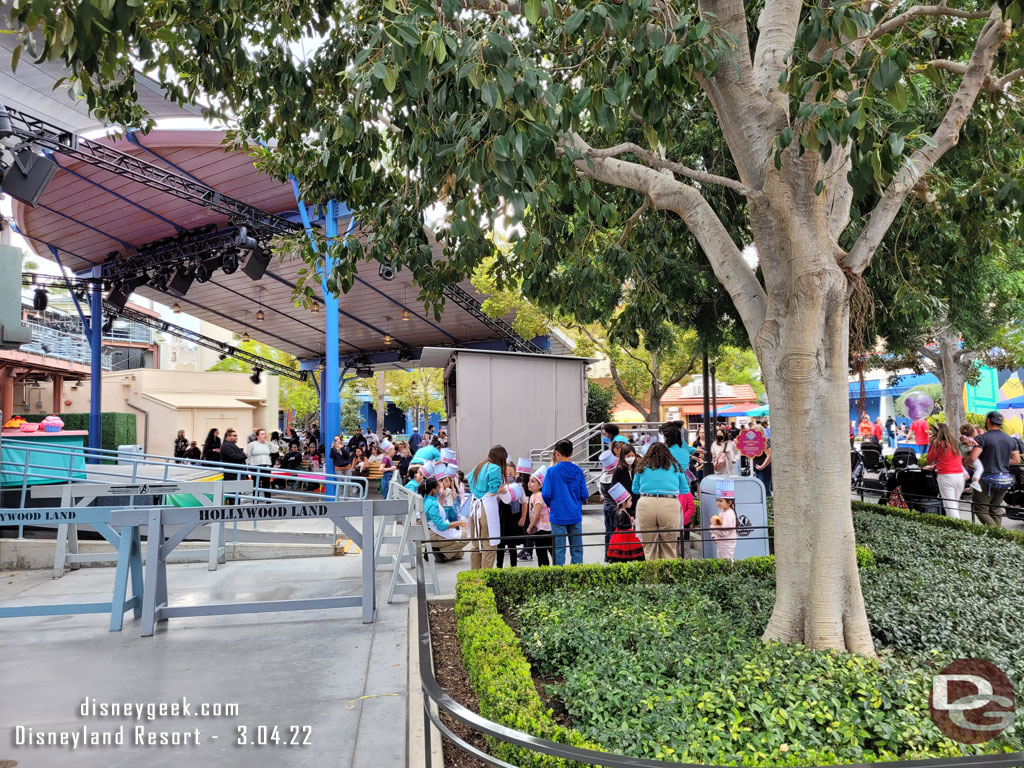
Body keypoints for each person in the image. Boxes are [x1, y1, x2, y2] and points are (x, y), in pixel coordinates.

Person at [633, 442, 689, 561]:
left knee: (649, 546)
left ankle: (652, 576)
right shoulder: (675, 466)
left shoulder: (642, 466)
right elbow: (685, 489)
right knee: (669, 546)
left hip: (646, 502)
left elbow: (635, 489)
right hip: (669, 503)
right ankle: (668, 577)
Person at [968, 411, 1021, 527]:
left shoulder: (982, 438)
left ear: (987, 421)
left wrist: (966, 461)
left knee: (980, 508)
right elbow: (1016, 460)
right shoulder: (1010, 439)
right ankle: (998, 538)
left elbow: (973, 457)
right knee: (995, 508)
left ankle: (997, 534)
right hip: (1004, 479)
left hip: (985, 479)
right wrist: (1001, 461)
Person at [541, 439, 589, 566]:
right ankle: (577, 577)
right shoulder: (578, 471)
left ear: (557, 453)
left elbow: (546, 494)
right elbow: (584, 494)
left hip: (558, 515)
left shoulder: (551, 471)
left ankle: (560, 579)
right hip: (574, 514)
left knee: (559, 550)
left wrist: (552, 504)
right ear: (571, 453)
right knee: (577, 549)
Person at [467, 446, 508, 570]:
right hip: (486, 508)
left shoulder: (478, 466)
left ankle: (474, 577)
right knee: (489, 545)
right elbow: (493, 490)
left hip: (474, 507)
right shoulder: (495, 468)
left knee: (475, 545)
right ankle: (486, 578)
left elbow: (469, 479)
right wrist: (502, 489)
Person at [924, 422, 968, 520]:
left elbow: (929, 459)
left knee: (950, 507)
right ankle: (958, 527)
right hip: (959, 476)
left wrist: (930, 443)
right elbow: (952, 460)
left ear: (936, 432)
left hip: (946, 476)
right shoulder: (954, 443)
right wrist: (936, 466)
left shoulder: (938, 443)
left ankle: (959, 529)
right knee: (954, 506)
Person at [419, 478, 468, 562]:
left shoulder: (428, 498)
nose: (440, 489)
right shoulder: (432, 505)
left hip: (432, 531)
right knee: (467, 536)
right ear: (432, 490)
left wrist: (441, 500)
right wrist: (459, 523)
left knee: (460, 554)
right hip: (434, 534)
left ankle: (437, 549)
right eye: (438, 487)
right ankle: (441, 553)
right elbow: (441, 526)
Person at [525, 472, 554, 567]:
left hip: (542, 529)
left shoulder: (538, 496)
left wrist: (530, 527)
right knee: (546, 552)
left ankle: (545, 572)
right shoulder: (533, 495)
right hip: (542, 529)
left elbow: (536, 514)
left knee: (542, 553)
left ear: (540, 485)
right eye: (529, 481)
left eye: (533, 482)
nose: (529, 483)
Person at [496, 462, 520, 568]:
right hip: (501, 519)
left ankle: (513, 567)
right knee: (500, 544)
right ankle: (499, 567)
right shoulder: (499, 486)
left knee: (512, 544)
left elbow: (524, 501)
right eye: (506, 473)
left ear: (515, 474)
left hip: (512, 518)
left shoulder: (518, 487)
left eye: (511, 473)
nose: (509, 476)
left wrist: (523, 517)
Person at [219, 429, 248, 501]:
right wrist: (244, 455)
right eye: (234, 436)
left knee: (236, 496)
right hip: (232, 475)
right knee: (233, 497)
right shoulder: (226, 446)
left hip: (235, 475)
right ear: (227, 437)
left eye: (236, 436)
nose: (236, 437)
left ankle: (235, 510)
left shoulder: (230, 445)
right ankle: (233, 511)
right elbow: (235, 457)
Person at [709, 494, 738, 560]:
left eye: (721, 501)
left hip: (727, 544)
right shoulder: (722, 512)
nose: (718, 503)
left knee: (727, 562)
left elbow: (724, 532)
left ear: (729, 503)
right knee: (722, 562)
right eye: (717, 501)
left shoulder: (729, 514)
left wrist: (712, 528)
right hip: (722, 543)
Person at [751, 425, 772, 496]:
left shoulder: (764, 442)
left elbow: (770, 455)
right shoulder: (757, 442)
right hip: (759, 469)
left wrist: (762, 466)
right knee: (762, 489)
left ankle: (769, 505)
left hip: (764, 469)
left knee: (764, 489)